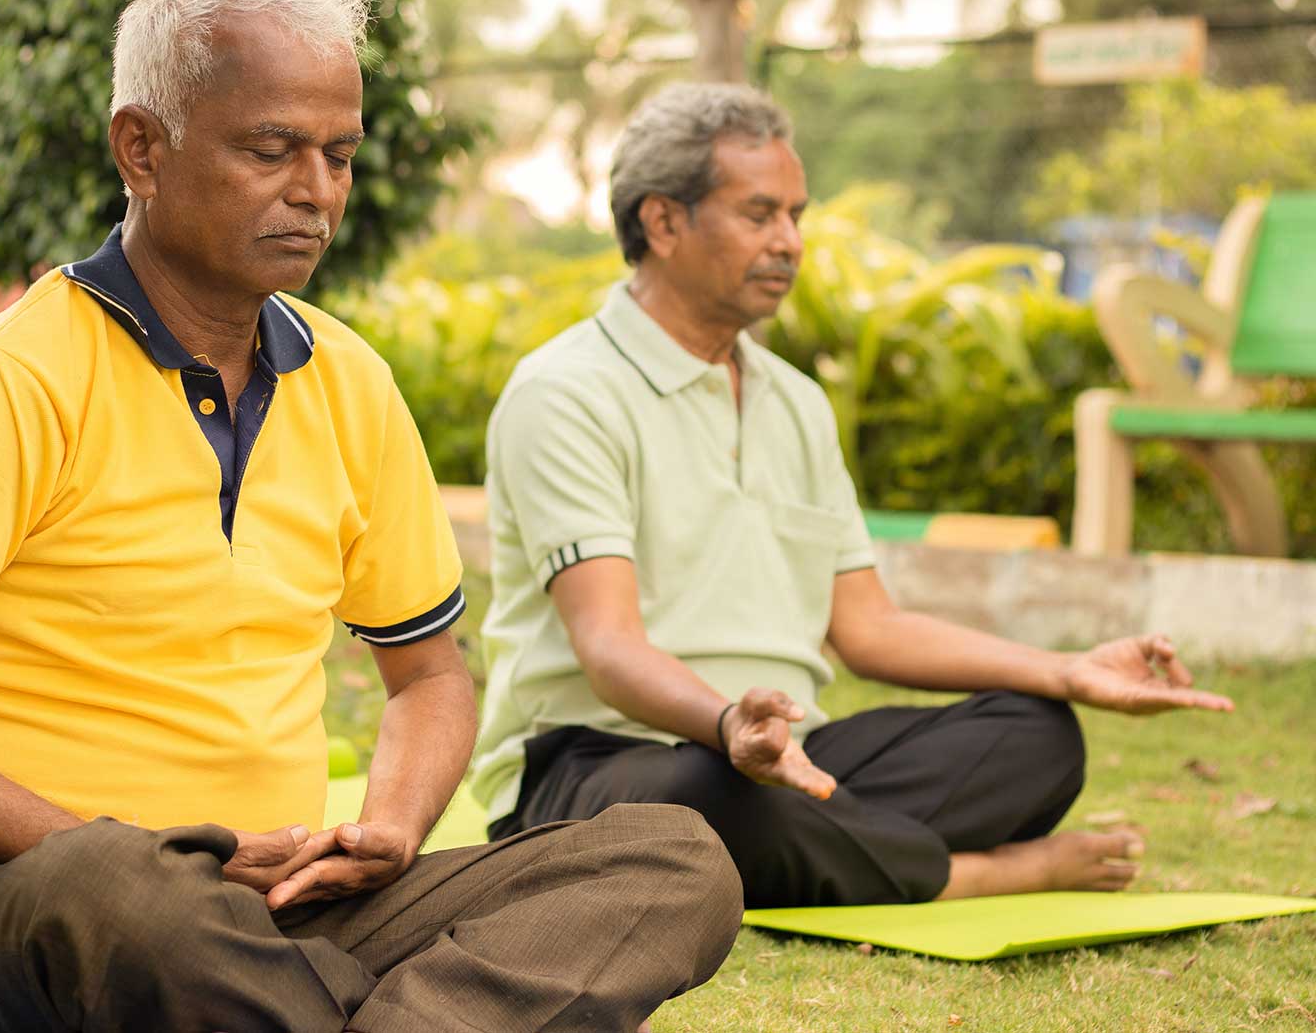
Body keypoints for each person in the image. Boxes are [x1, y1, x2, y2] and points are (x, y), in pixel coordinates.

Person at [0, 0, 741, 1031]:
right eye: (271, 149)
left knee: (671, 855)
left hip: (281, 913)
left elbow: (428, 678)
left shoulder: (350, 382)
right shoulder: (17, 376)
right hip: (35, 909)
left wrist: (389, 827)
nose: (316, 189)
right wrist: (140, 853)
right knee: (128, 886)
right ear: (142, 148)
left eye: (340, 154)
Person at [469, 82, 1236, 910]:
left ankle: (831, 849)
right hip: (597, 763)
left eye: (796, 214)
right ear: (662, 222)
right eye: (759, 214)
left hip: (780, 755)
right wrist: (728, 724)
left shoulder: (793, 400)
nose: (790, 242)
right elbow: (610, 649)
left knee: (1038, 734)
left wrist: (1071, 672)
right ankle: (976, 874)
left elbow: (870, 627)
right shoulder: (566, 391)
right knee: (706, 799)